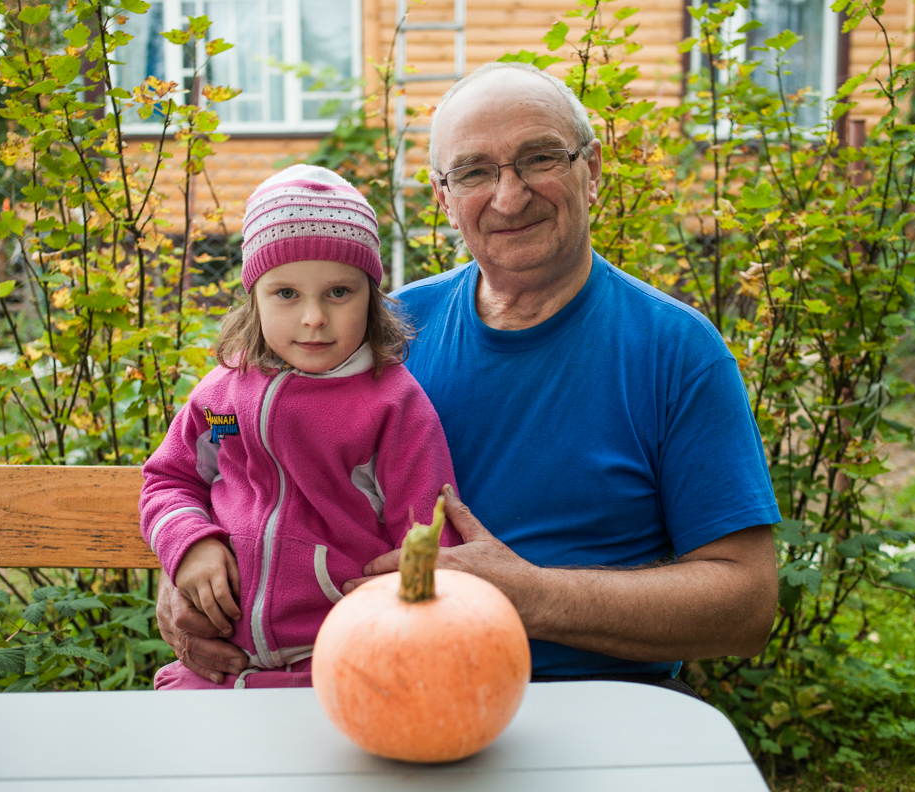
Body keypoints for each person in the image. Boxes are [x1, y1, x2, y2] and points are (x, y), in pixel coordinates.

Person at [157, 63, 780, 692]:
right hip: (386, 688)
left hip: (590, 699)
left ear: (590, 172)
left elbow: (747, 602)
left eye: (539, 159)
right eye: (476, 172)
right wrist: (187, 574)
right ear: (444, 199)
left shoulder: (675, 351)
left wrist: (534, 596)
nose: (509, 197)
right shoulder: (377, 335)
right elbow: (230, 461)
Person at [140, 164, 460, 690]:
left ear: (371, 296)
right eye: (286, 294)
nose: (313, 317)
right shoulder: (222, 398)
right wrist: (189, 543)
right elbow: (169, 480)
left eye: (339, 293)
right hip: (218, 664)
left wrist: (393, 612)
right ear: (255, 297)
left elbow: (427, 537)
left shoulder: (394, 406)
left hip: (339, 664)